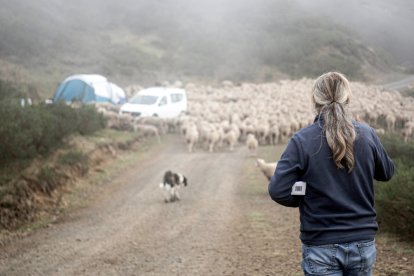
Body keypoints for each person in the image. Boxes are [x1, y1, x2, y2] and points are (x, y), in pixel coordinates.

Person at [268, 72, 395, 275]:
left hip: (321, 242)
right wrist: (364, 133)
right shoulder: (367, 133)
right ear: (348, 99)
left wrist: (304, 197)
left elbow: (278, 190)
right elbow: (386, 172)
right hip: (362, 240)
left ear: (314, 101)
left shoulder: (302, 140)